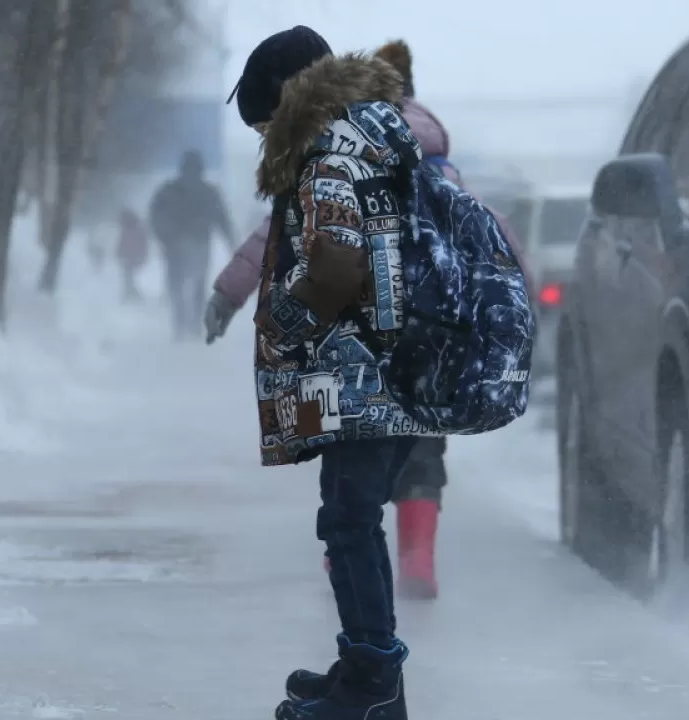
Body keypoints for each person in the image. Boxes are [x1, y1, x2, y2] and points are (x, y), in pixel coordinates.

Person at [209, 39, 530, 603]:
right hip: (433, 338)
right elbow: (487, 236)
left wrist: (257, 312)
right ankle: (413, 563)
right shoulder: (425, 160)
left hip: (367, 344)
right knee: (416, 459)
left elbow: (295, 241)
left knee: (352, 496)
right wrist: (513, 305)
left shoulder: (339, 156)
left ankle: (365, 627)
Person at [230, 26, 439, 720]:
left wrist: (281, 327)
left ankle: (372, 686)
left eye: (266, 123)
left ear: (288, 105)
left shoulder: (329, 158)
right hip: (395, 364)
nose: (265, 138)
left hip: (363, 373)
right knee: (354, 519)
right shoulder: (378, 137)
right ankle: (366, 670)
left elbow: (338, 267)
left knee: (348, 523)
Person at [148, 149, 235, 340]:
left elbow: (154, 215)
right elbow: (223, 219)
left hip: (175, 245)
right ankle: (194, 324)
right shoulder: (209, 191)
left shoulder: (168, 189)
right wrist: (231, 243)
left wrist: (162, 236)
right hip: (199, 243)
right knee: (198, 284)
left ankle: (180, 324)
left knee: (176, 285)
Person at [116, 208, 149, 303]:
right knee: (128, 276)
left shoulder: (136, 229)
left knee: (128, 276)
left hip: (134, 257)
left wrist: (142, 255)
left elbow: (142, 244)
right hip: (130, 257)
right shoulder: (128, 229)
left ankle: (131, 294)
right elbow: (122, 243)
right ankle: (130, 293)